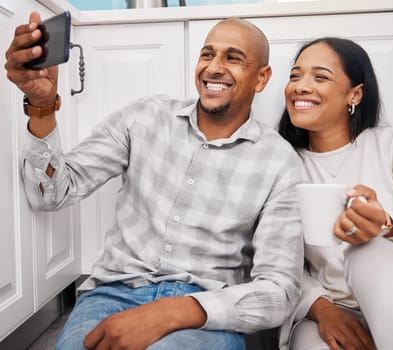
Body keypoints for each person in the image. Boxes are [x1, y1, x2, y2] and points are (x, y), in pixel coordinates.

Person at [5, 12, 304, 350]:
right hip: (110, 296)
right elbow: (51, 194)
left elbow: (280, 291)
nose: (214, 67)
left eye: (232, 57)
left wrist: (173, 311)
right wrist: (42, 108)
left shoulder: (279, 161)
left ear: (261, 78)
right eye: (208, 54)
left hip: (204, 312)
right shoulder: (145, 117)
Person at [278, 37, 393, 350]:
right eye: (295, 76)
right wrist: (322, 309)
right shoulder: (282, 164)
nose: (300, 87)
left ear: (355, 94)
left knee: (368, 251)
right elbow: (274, 260)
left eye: (320, 77)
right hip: (330, 311)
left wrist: (386, 224)